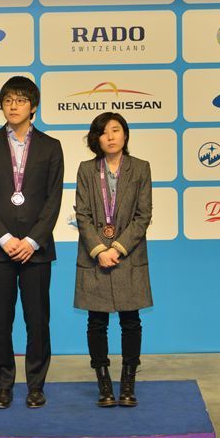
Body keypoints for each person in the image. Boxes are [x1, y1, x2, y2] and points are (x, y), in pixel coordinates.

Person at [0, 76, 64, 409]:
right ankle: (3, 385)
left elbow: (54, 199)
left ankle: (36, 385)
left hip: (36, 252)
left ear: (33, 106)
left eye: (21, 100)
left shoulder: (51, 146)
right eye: (8, 99)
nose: (13, 105)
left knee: (37, 321)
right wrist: (6, 238)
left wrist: (33, 241)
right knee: (0, 320)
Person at [74, 112, 152, 408]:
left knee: (131, 321)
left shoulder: (141, 168)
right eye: (104, 132)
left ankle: (128, 382)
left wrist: (117, 248)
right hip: (95, 256)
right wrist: (99, 250)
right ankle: (104, 383)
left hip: (128, 256)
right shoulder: (86, 169)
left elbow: (143, 216)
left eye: (116, 130)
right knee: (97, 322)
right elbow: (82, 215)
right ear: (96, 139)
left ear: (125, 135)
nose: (110, 136)